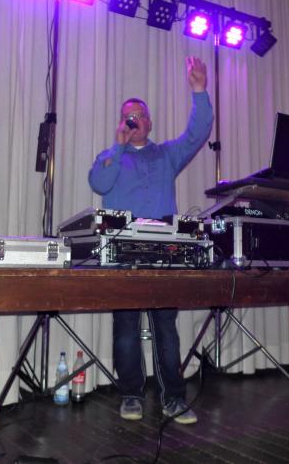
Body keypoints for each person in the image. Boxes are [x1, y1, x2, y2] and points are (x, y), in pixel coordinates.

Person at [88, 56, 213, 424]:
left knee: (166, 329)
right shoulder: (109, 156)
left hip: (164, 251)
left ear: (150, 122)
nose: (134, 120)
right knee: (126, 329)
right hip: (123, 253)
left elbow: (198, 133)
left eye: (139, 115)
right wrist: (118, 147)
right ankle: (131, 395)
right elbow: (99, 184)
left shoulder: (167, 155)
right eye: (128, 116)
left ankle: (173, 398)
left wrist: (199, 90)